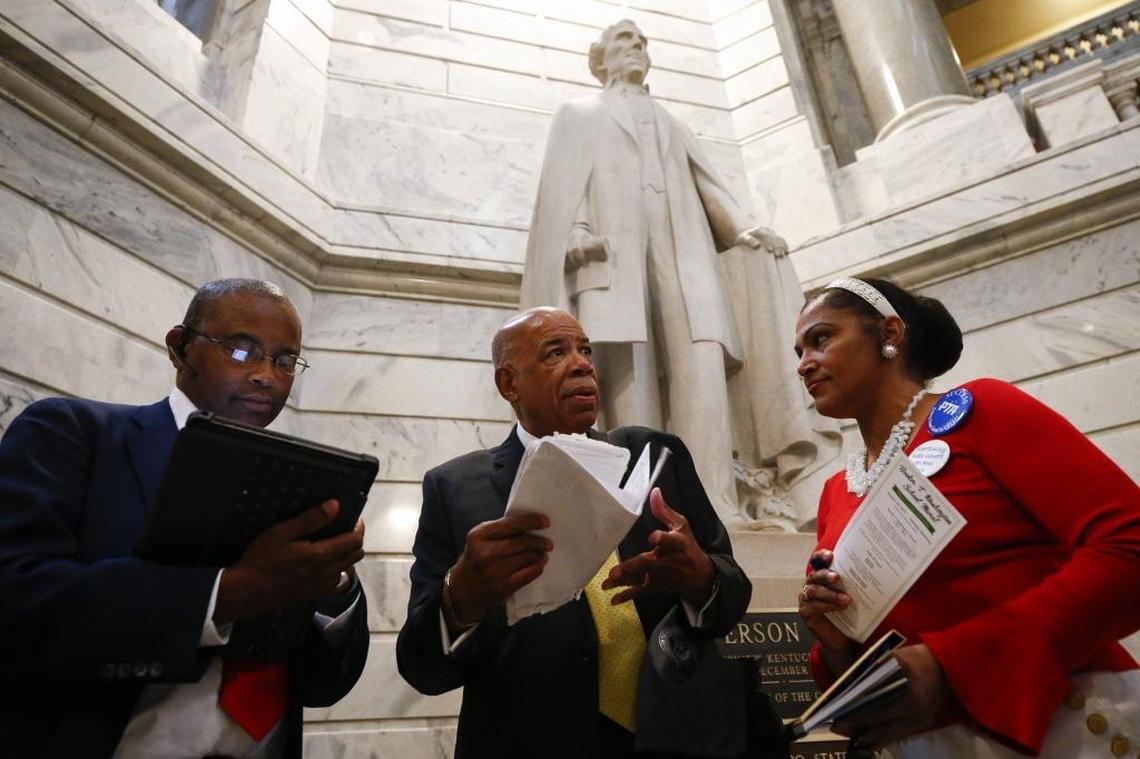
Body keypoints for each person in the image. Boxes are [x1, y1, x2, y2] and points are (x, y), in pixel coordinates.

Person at [0, 278, 369, 759]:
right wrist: (227, 593)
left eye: (284, 361)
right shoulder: (74, 433)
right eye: (241, 350)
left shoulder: (299, 492)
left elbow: (322, 685)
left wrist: (334, 586)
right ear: (179, 347)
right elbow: (16, 602)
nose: (267, 376)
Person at [793, 277, 1140, 757]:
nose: (804, 363)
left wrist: (951, 664)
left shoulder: (983, 410)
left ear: (889, 334)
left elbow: (1129, 544)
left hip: (1059, 725)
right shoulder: (836, 491)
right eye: (798, 351)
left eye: (821, 338)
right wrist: (835, 643)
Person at [396, 307, 762, 758]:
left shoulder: (655, 457)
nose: (583, 363)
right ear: (509, 384)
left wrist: (700, 576)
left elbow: (733, 597)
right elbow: (421, 668)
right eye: (556, 352)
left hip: (677, 736)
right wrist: (460, 601)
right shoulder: (453, 489)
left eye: (584, 349)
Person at [520, 19, 792, 524]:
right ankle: (643, 509)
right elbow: (563, 190)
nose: (638, 49)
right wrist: (576, 232)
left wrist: (745, 232)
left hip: (684, 258)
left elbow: (710, 187)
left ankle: (715, 505)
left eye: (643, 42)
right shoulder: (579, 115)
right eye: (626, 41)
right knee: (631, 385)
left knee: (701, 370)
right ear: (600, 57)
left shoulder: (672, 122)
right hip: (614, 263)